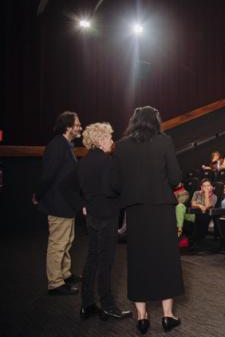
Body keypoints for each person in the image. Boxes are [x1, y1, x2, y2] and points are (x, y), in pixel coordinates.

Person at [109, 106, 183, 333]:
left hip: (136, 210)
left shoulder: (121, 146)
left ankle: (142, 316)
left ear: (134, 121)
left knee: (138, 259)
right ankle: (168, 316)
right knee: (165, 258)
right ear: (156, 121)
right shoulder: (165, 141)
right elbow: (175, 177)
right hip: (161, 208)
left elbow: (115, 184)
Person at [77, 122, 131, 320]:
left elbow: (76, 188)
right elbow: (113, 189)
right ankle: (108, 305)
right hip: (107, 216)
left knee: (92, 259)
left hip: (91, 216)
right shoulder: (109, 162)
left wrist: (84, 203)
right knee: (106, 262)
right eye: (109, 137)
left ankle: (87, 304)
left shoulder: (83, 161)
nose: (111, 141)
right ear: (100, 141)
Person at [34, 111, 83, 296]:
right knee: (58, 243)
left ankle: (64, 273)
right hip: (57, 203)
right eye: (77, 124)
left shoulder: (65, 145)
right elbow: (48, 176)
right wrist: (38, 195)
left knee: (67, 240)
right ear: (68, 127)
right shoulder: (57, 146)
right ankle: (55, 283)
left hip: (65, 203)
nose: (80, 127)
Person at [190, 179, 218, 246]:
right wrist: (200, 206)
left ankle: (198, 240)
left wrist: (206, 194)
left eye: (208, 186)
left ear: (211, 187)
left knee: (203, 217)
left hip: (207, 214)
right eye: (204, 186)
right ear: (201, 187)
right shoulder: (196, 193)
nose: (206, 188)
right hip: (196, 212)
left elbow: (208, 206)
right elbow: (193, 204)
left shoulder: (214, 197)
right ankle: (194, 240)